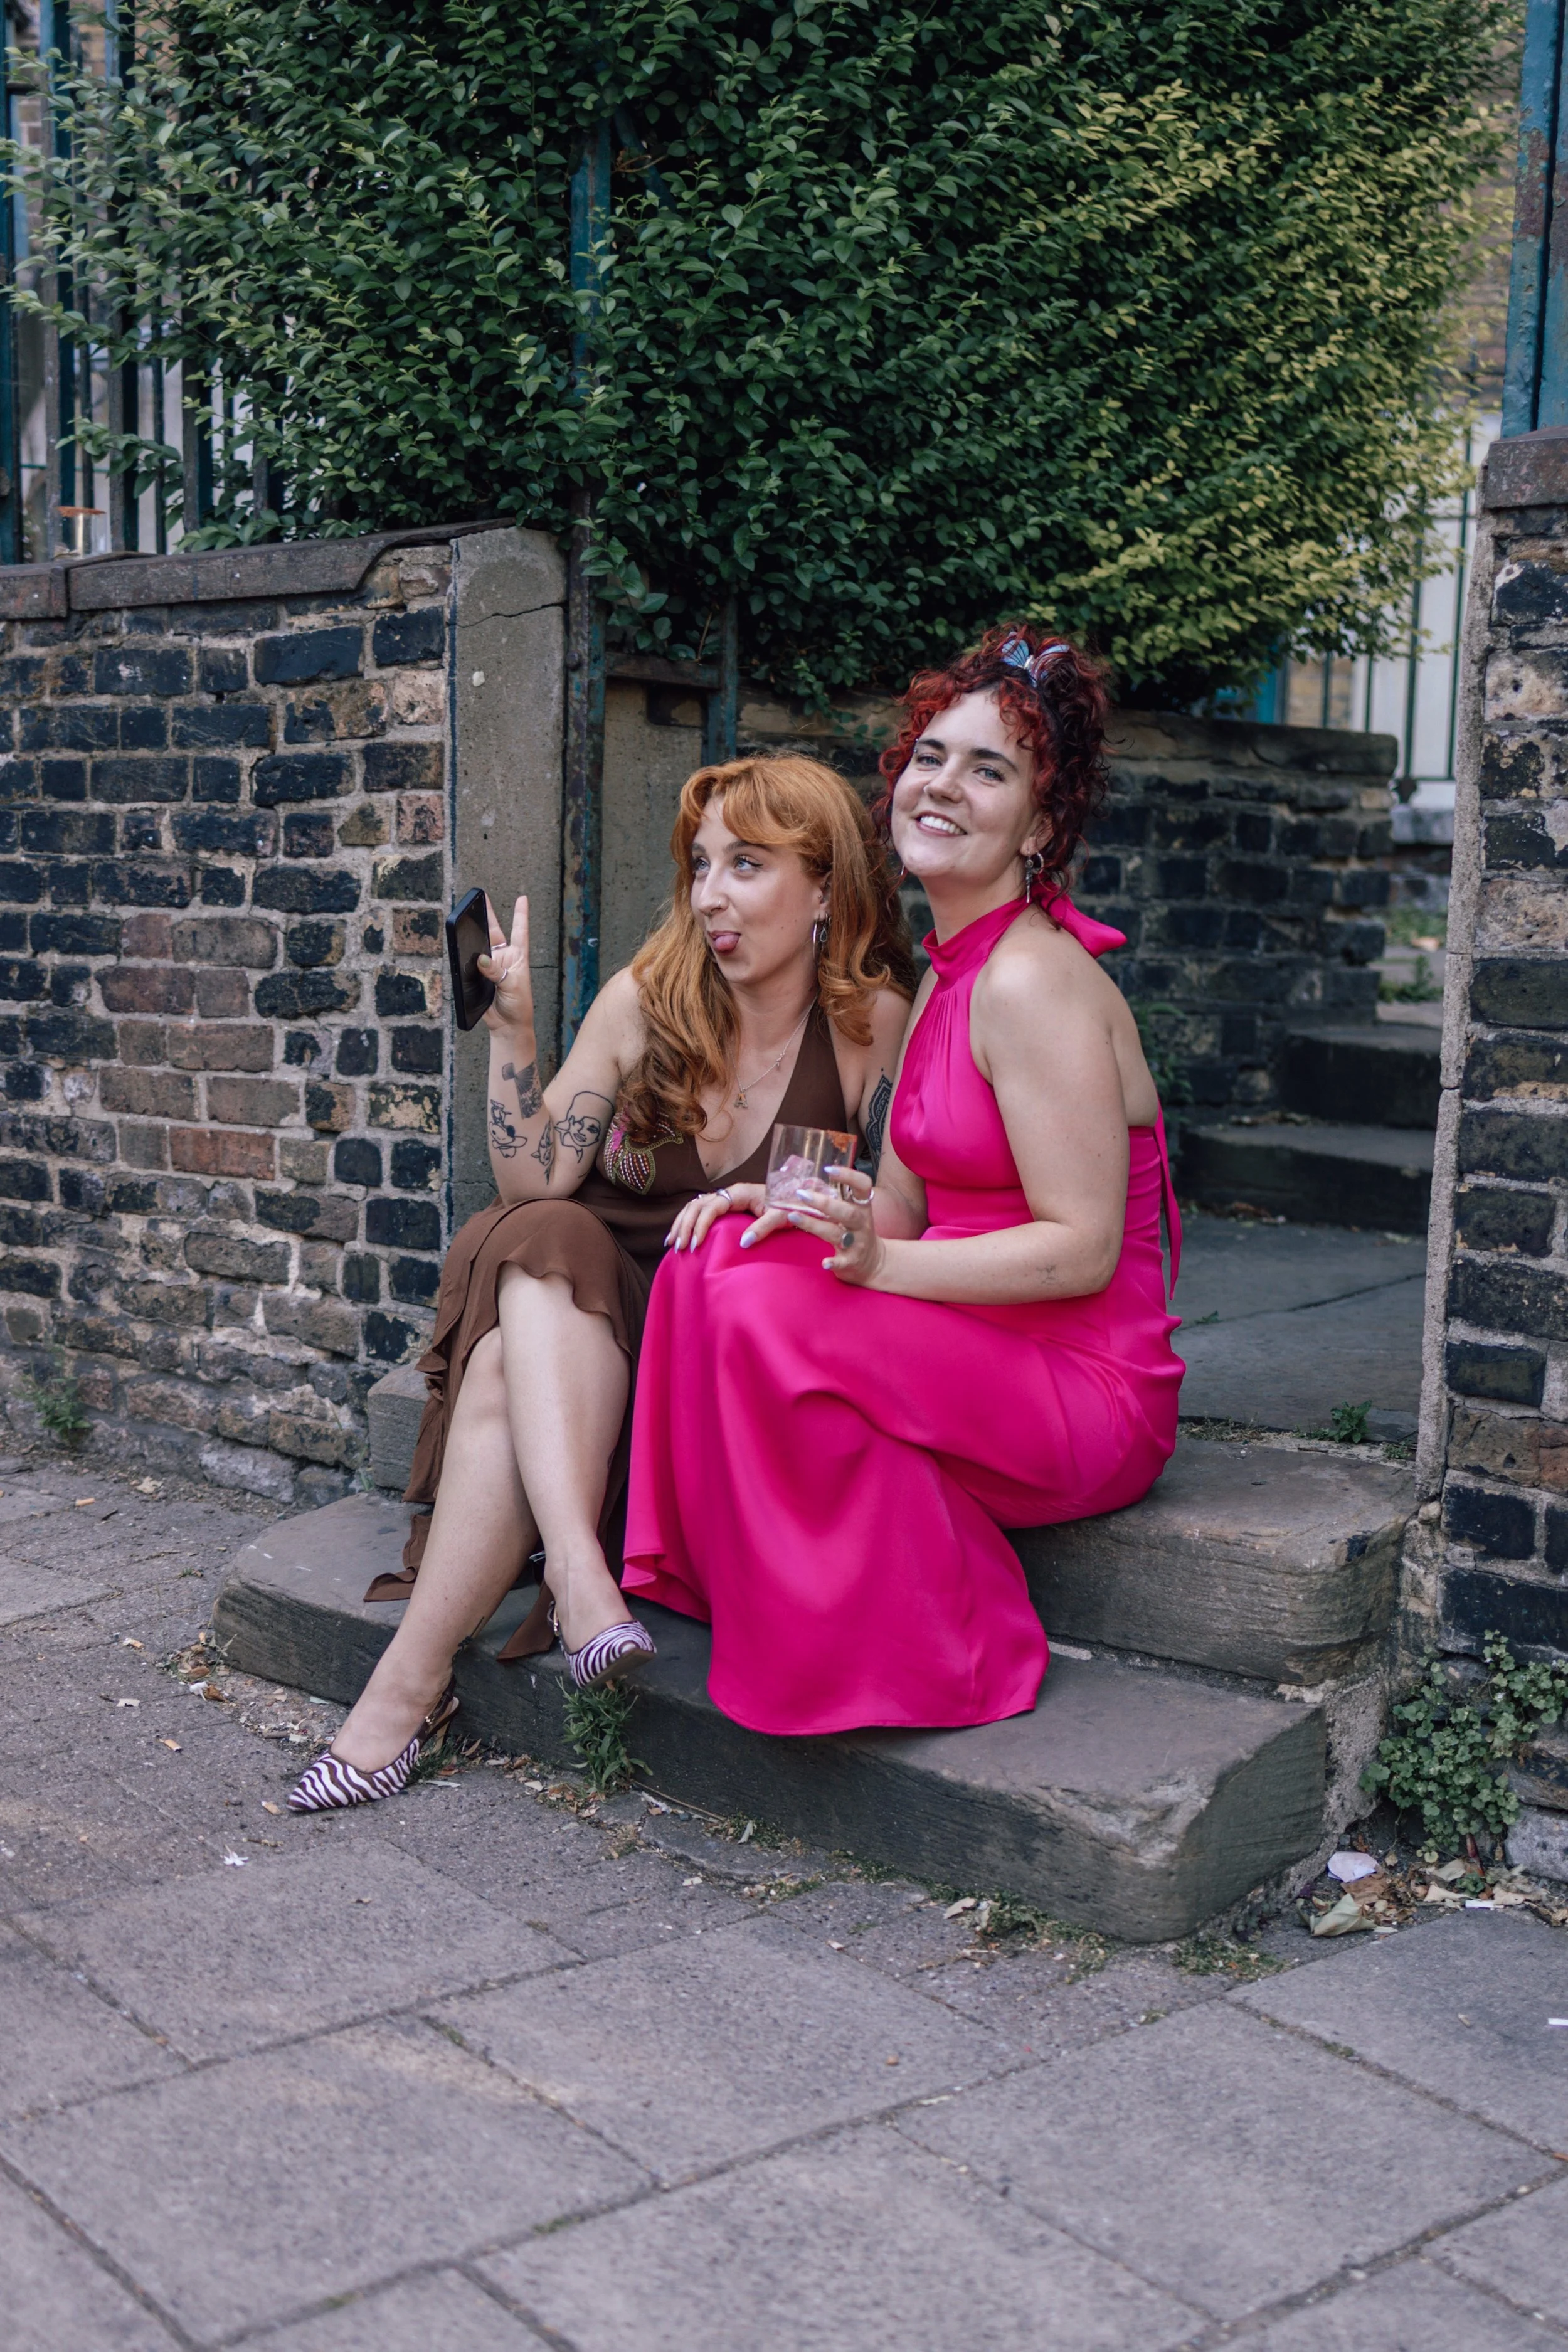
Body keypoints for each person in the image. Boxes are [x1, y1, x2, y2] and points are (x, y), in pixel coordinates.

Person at [287, 754, 913, 1811]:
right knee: (546, 1232)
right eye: (701, 865)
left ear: (824, 889)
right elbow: (535, 1176)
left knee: (501, 1366)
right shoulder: (646, 998)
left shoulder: (872, 1022)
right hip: (588, 1339)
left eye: (747, 864)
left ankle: (445, 1666)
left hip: (708, 1368)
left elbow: (895, 1215)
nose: (710, 895)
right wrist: (515, 1036)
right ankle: (551, 1598)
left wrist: (786, 1202)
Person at [623, 625, 1184, 1737]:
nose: (943, 785)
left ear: (1040, 824)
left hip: (1082, 1387)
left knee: (765, 1310)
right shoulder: (947, 972)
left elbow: (1081, 1248)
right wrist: (791, 1203)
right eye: (930, 756)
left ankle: (950, 1640)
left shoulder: (1031, 982)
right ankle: (749, 1589)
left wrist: (879, 1265)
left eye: (990, 770)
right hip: (975, 1340)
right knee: (713, 1257)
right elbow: (906, 1206)